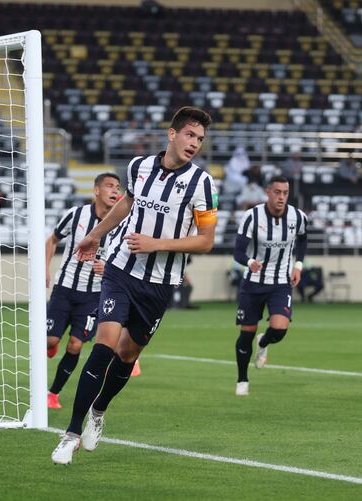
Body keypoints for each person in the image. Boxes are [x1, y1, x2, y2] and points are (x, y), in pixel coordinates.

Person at [51, 106, 218, 464]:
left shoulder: (203, 184)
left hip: (159, 284)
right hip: (120, 270)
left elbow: (205, 241)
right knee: (104, 345)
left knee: (128, 355)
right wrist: (95, 235)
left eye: (200, 139)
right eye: (189, 135)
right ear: (172, 134)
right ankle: (71, 433)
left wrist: (158, 244)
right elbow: (126, 204)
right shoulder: (138, 167)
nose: (195, 143)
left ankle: (99, 410)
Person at [45, 172, 122, 410]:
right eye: (109, 186)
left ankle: (52, 394)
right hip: (65, 288)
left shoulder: (121, 223)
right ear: (96, 191)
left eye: (118, 187)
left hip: (93, 295)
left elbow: (125, 258)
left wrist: (107, 268)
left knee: (75, 345)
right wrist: (44, 269)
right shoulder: (76, 214)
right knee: (50, 340)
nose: (115, 191)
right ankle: (52, 342)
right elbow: (52, 240)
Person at [232, 175, 307, 396]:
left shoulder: (298, 217)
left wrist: (298, 265)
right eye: (277, 192)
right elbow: (238, 251)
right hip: (253, 283)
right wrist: (250, 262)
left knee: (280, 329)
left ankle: (263, 342)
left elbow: (303, 239)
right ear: (267, 192)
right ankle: (242, 380)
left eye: (285, 192)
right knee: (246, 333)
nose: (282, 197)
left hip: (281, 283)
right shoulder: (252, 217)